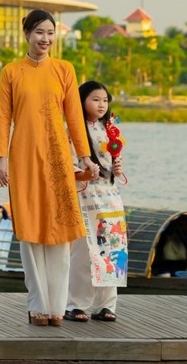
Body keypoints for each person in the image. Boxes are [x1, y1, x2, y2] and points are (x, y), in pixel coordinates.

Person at [0, 9, 99, 327]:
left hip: (57, 158)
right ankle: (38, 304)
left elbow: (74, 118)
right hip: (23, 157)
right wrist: (1, 159)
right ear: (26, 33)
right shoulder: (11, 72)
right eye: (39, 32)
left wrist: (84, 157)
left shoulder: (64, 70)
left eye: (50, 33)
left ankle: (56, 306)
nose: (45, 39)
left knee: (60, 231)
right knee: (29, 231)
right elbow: (3, 118)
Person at [65, 81, 127, 323]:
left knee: (112, 250)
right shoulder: (72, 130)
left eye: (105, 100)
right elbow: (67, 164)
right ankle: (76, 304)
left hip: (111, 197)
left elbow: (113, 164)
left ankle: (106, 305)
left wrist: (118, 167)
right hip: (85, 195)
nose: (101, 104)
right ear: (81, 101)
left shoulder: (109, 129)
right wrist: (84, 173)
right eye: (95, 99)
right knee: (84, 252)